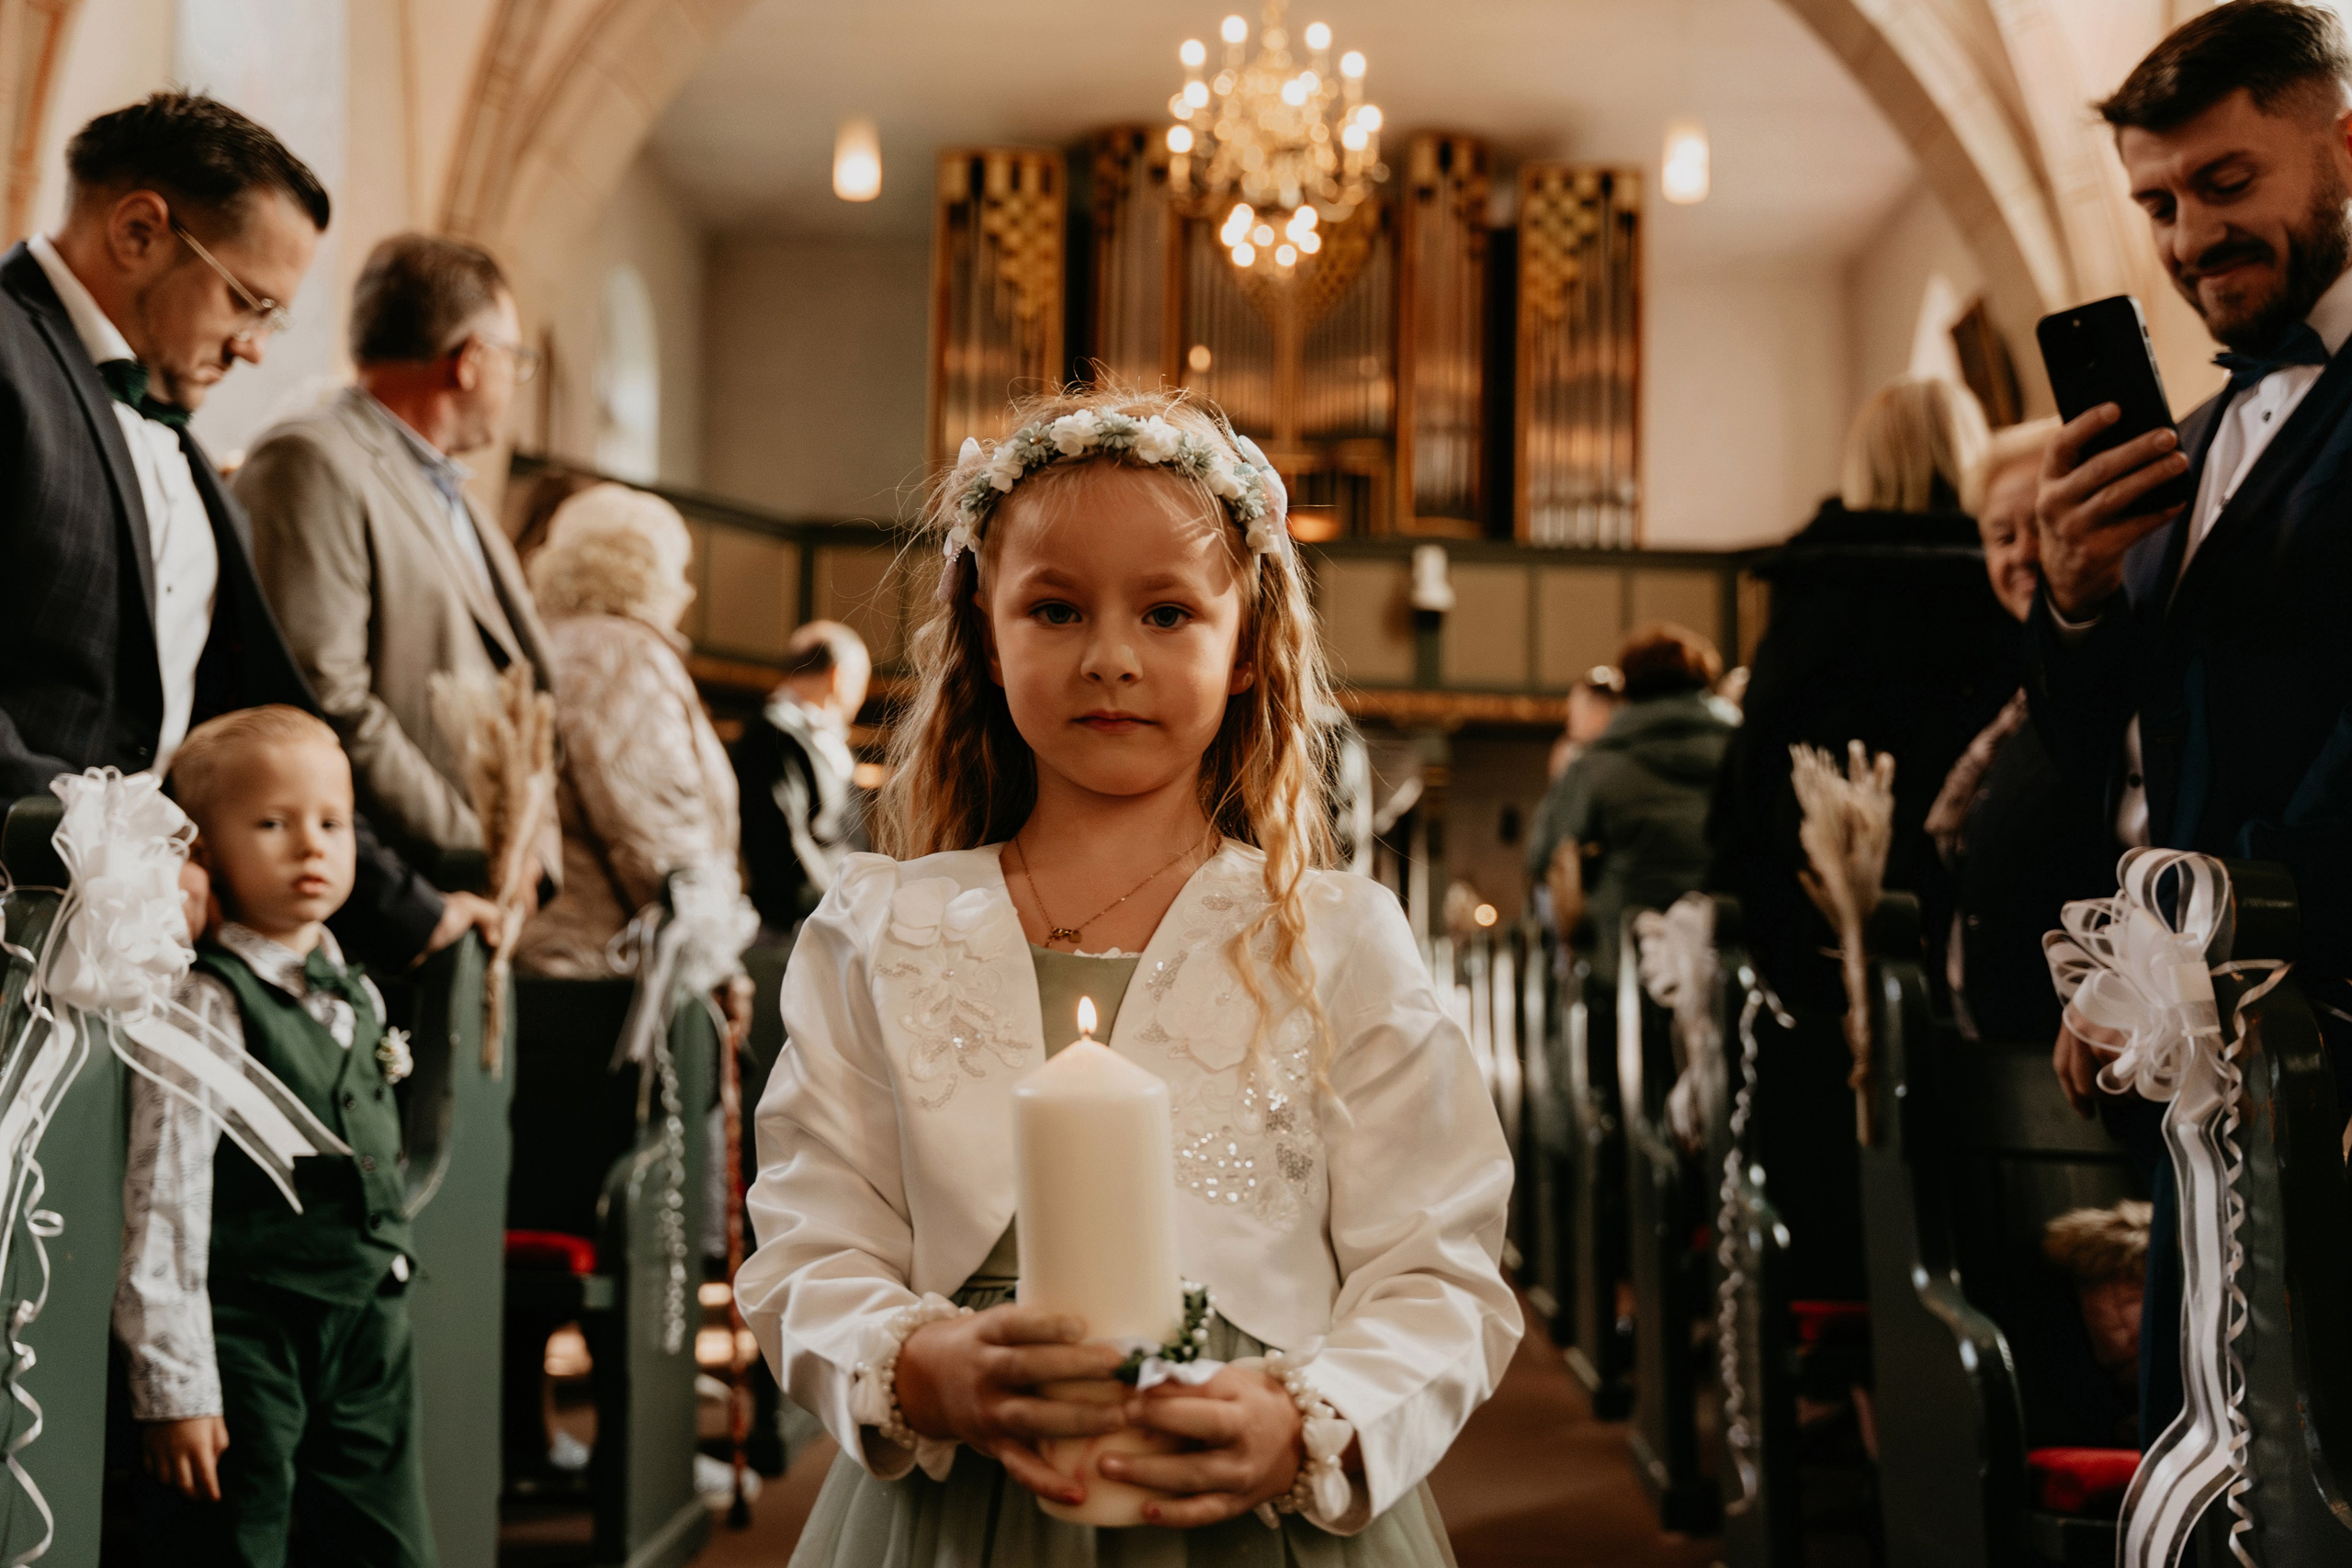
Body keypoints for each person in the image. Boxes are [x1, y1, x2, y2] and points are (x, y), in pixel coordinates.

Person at [736, 388, 1520, 1562]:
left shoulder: (1336, 940)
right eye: (1054, 609)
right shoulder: (881, 926)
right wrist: (915, 1364)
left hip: (1253, 1496)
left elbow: (1439, 1268)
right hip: (974, 1503)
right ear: (985, 639)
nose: (1109, 657)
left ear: (1248, 648)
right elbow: (811, 1236)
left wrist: (1316, 1420)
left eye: (1166, 613)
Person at [2028, 0, 2352, 1447]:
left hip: (2330, 1034)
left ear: (2344, 145)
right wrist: (2080, 596)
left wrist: (2199, 942)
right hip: (2220, 1078)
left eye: (2228, 184)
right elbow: (2120, 742)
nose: (2186, 239)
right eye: (2158, 202)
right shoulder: (2201, 437)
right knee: (2214, 1457)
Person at [0, 92, 492, 968]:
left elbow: (249, 708)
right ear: (139, 230)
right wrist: (103, 848)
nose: (256, 348)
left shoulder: (182, 450)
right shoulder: (9, 354)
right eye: (246, 302)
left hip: (127, 954)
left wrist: (410, 909)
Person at [117, 705, 430, 1565]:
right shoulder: (210, 1001)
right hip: (249, 1326)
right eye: (272, 823)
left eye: (332, 822)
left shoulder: (357, 992)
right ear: (205, 853)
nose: (312, 846)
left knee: (390, 1539)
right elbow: (164, 1192)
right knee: (233, 1537)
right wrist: (175, 1383)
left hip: (367, 1319)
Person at [232, 232, 557, 896]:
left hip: (477, 888)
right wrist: (480, 846)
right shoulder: (313, 459)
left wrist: (527, 843)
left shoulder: (459, 499)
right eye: (513, 360)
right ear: (469, 360)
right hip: (385, 886)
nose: (511, 382)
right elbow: (327, 695)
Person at [1708, 376, 2016, 1015]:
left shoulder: (1817, 598)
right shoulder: (2008, 591)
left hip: (1825, 933)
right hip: (1989, 927)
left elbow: (1753, 782)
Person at [1924, 418, 2118, 1042]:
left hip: (2095, 1054)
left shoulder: (2122, 675)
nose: (2024, 553)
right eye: (2002, 536)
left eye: (2042, 525)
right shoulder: (2016, 697)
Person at [514, 483, 741, 976]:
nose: (688, 590)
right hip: (608, 965)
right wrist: (719, 966)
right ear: (645, 569)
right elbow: (660, 834)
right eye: (680, 570)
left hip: (545, 952)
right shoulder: (624, 657)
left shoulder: (544, 641)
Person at [1526, 624, 1733, 987]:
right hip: (1723, 954)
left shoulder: (1598, 764)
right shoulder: (1741, 751)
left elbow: (1543, 854)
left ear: (1630, 685)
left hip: (1625, 959)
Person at [732, 620, 870, 935]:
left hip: (836, 912)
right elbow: (781, 839)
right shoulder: (772, 734)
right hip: (799, 924)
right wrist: (835, 909)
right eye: (862, 679)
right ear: (838, 677)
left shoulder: (826, 736)